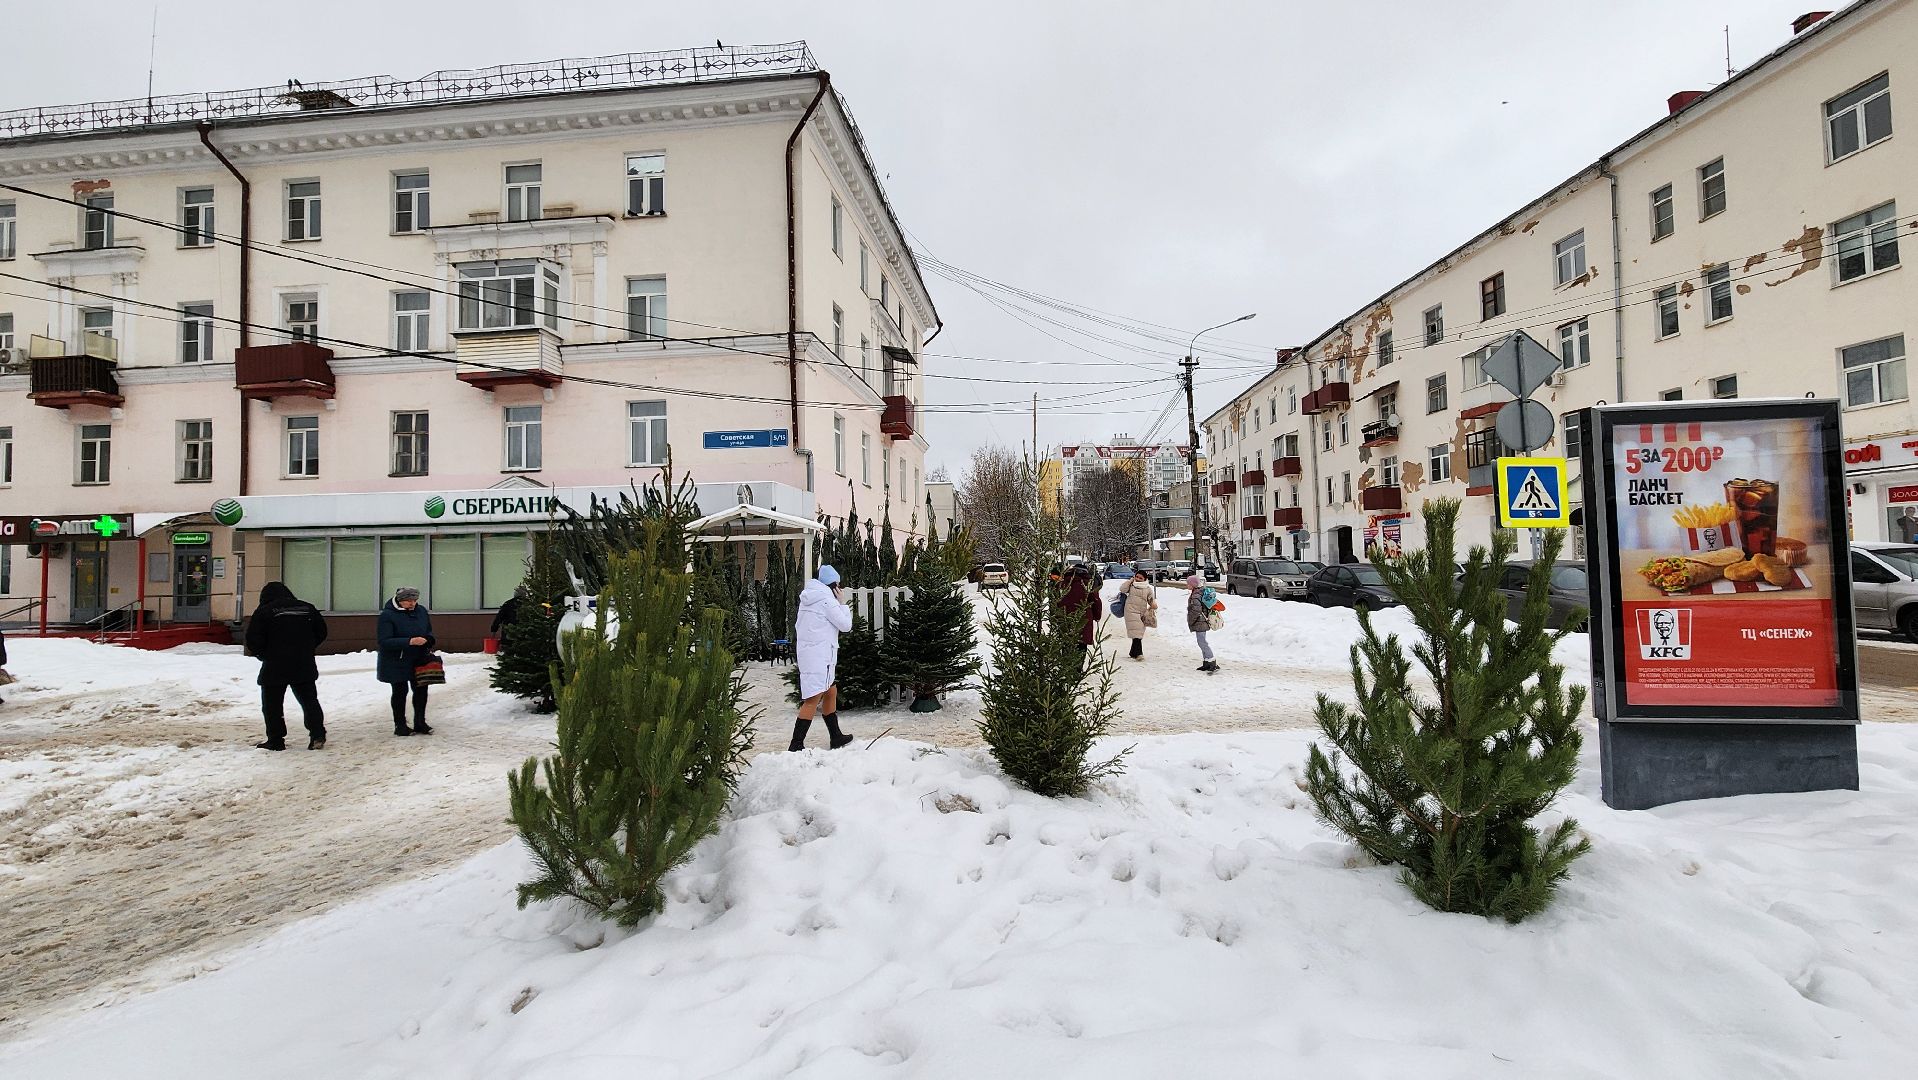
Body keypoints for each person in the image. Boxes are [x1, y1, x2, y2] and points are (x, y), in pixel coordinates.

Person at [245, 581, 329, 750]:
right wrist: (307, 648)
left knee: (272, 705)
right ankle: (317, 734)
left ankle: (276, 740)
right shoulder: (307, 608)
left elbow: (253, 639)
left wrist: (264, 654)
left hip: (275, 666)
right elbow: (322, 632)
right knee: (309, 701)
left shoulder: (264, 611)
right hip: (303, 663)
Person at [792, 564, 855, 751]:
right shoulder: (827, 601)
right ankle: (796, 745)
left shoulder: (809, 598)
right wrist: (842, 603)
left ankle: (835, 736)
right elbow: (845, 625)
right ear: (833, 586)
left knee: (830, 691)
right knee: (812, 699)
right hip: (820, 656)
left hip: (811, 654)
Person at [377, 586, 437, 737]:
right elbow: (384, 641)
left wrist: (429, 639)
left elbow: (428, 630)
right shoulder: (387, 615)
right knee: (400, 692)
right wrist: (409, 641)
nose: (412, 604)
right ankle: (400, 725)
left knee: (421, 689)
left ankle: (420, 722)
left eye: (415, 600)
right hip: (396, 660)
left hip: (419, 657)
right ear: (400, 600)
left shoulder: (421, 611)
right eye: (408, 601)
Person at [1057, 563, 1101, 651]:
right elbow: (1096, 601)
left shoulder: (1063, 584)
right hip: (1083, 619)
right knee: (1081, 645)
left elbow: (1056, 601)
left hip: (1064, 619)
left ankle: (1066, 662)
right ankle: (1079, 664)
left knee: (1066, 645)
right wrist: (1097, 616)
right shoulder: (1088, 585)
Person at [1185, 574, 1221, 674]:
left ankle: (1212, 661)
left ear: (1193, 584)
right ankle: (1206, 662)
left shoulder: (1196, 595)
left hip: (1200, 621)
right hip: (1200, 621)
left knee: (1202, 642)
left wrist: (1191, 620)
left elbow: (1196, 610)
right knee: (1201, 642)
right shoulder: (1197, 592)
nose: (1187, 585)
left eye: (1188, 584)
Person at [1122, 569, 1157, 661]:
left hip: (1142, 612)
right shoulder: (1131, 585)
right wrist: (1130, 581)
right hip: (1130, 611)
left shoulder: (1148, 589)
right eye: (1136, 576)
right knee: (1137, 631)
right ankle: (1139, 654)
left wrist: (1153, 604)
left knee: (1138, 631)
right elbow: (1122, 589)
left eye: (1140, 578)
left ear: (1144, 579)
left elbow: (1151, 599)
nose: (1137, 579)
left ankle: (1133, 652)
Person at [489, 587, 526, 653]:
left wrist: (494, 630)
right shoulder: (529, 605)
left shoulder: (508, 604)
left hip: (508, 635)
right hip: (525, 636)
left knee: (508, 654)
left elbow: (498, 618)